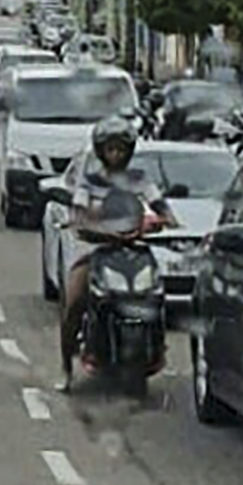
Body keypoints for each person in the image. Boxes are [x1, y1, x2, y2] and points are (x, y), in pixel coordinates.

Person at [59, 116, 177, 390]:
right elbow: (78, 212)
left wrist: (166, 218)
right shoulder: (89, 182)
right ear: (101, 151)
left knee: (157, 293)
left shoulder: (139, 179)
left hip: (132, 249)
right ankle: (66, 367)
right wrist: (86, 224)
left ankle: (156, 345)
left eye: (121, 149)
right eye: (110, 149)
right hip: (96, 249)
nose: (116, 154)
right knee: (75, 298)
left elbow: (159, 204)